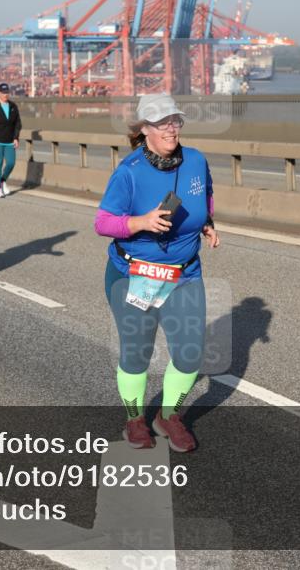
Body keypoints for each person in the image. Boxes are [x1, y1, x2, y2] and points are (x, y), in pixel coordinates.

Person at [94, 94, 220, 452]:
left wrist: (207, 222)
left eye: (175, 121)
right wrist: (140, 222)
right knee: (138, 352)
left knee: (190, 353)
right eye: (162, 122)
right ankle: (135, 420)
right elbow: (102, 222)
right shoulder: (129, 172)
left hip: (185, 273)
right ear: (145, 129)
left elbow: (204, 196)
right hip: (136, 274)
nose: (171, 128)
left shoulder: (195, 160)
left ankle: (169, 416)